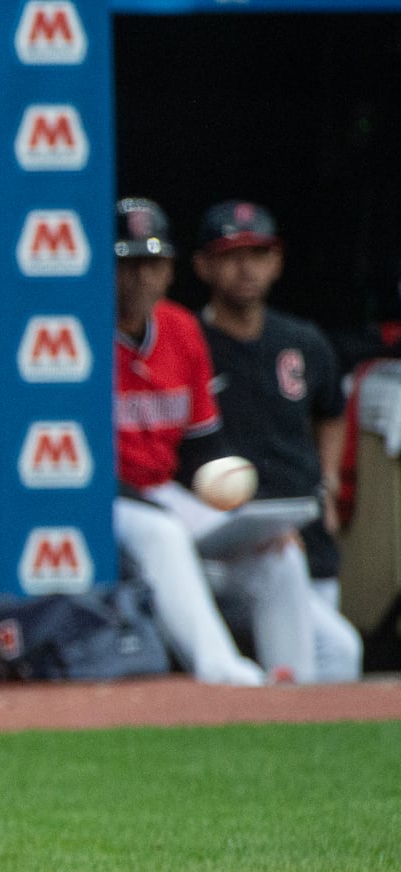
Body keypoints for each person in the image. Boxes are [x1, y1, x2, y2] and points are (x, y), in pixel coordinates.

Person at [110, 197, 357, 685]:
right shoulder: (76, 335)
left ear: (170, 270)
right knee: (165, 533)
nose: (141, 277)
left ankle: (291, 693)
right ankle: (220, 670)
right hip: (111, 500)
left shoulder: (179, 330)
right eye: (128, 263)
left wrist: (242, 518)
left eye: (153, 263)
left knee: (281, 553)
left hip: (166, 494)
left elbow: (203, 446)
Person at [192, 201, 351, 609]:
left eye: (258, 255)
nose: (246, 269)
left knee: (334, 659)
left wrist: (329, 481)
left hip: (302, 524)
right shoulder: (190, 341)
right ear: (203, 265)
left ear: (277, 262)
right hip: (224, 534)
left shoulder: (304, 340)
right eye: (231, 256)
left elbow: (333, 410)